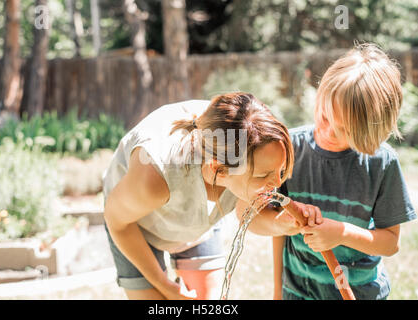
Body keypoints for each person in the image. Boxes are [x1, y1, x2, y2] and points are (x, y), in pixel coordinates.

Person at [102, 92, 322, 300]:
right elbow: (118, 223)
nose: (276, 184)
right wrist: (166, 286)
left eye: (280, 171)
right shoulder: (155, 177)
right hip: (134, 227)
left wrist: (281, 224)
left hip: (195, 223)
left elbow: (246, 212)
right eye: (264, 175)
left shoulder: (245, 144)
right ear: (218, 170)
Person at [273, 43, 417, 300]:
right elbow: (278, 233)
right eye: (324, 116)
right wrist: (277, 292)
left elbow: (390, 243)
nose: (327, 131)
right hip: (298, 292)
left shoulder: (381, 163)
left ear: (368, 132)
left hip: (361, 293)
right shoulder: (290, 149)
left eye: (343, 130)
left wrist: (340, 233)